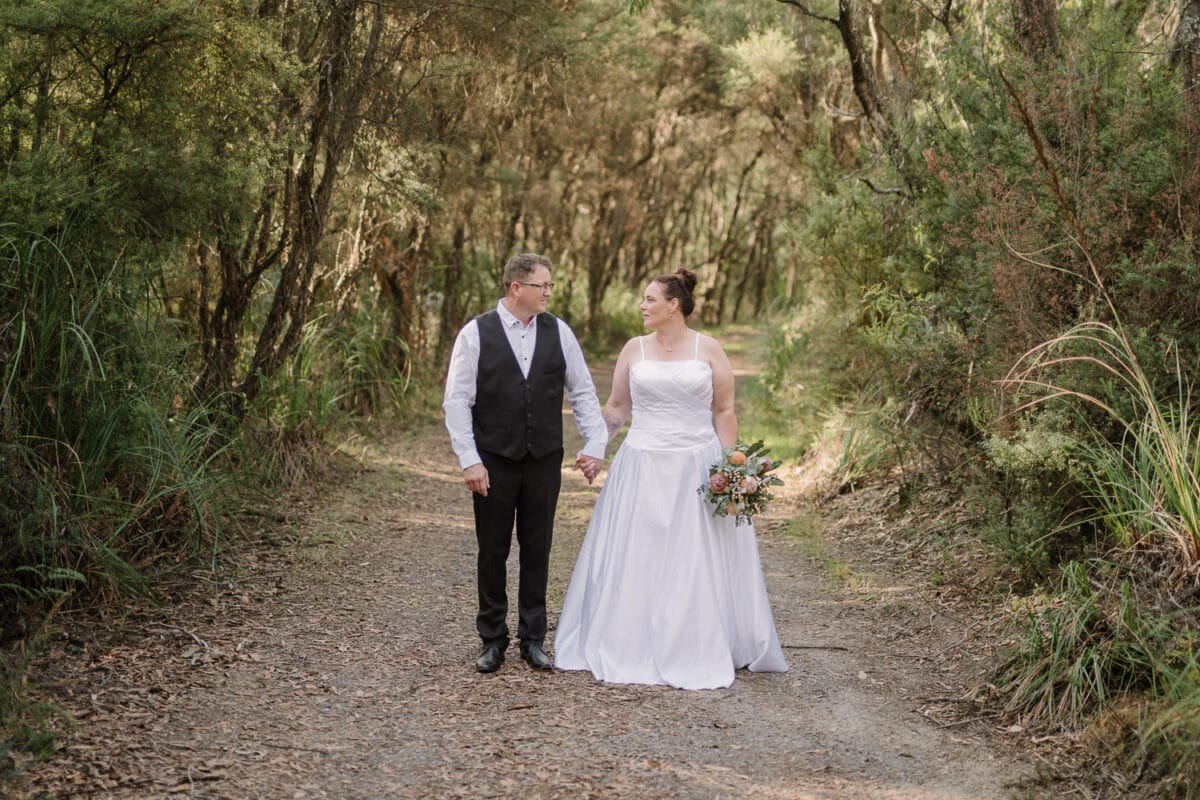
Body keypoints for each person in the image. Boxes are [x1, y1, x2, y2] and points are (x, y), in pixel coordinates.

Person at [553, 268, 787, 690]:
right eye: (642, 300)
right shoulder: (633, 349)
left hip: (695, 464)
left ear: (673, 305)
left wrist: (730, 465)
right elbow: (617, 408)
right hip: (641, 462)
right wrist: (595, 447)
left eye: (649, 299)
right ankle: (629, 640)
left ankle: (695, 640)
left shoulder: (709, 348)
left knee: (693, 554)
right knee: (638, 551)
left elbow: (724, 411)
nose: (642, 306)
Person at [443, 253, 607, 674]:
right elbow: (457, 400)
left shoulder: (560, 332)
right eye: (543, 285)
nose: (549, 292)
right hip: (493, 459)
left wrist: (595, 440)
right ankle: (492, 639)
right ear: (518, 288)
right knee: (492, 550)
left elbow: (583, 392)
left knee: (539, 549)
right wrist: (469, 460)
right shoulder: (475, 333)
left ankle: (533, 639)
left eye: (550, 285)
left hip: (543, 460)